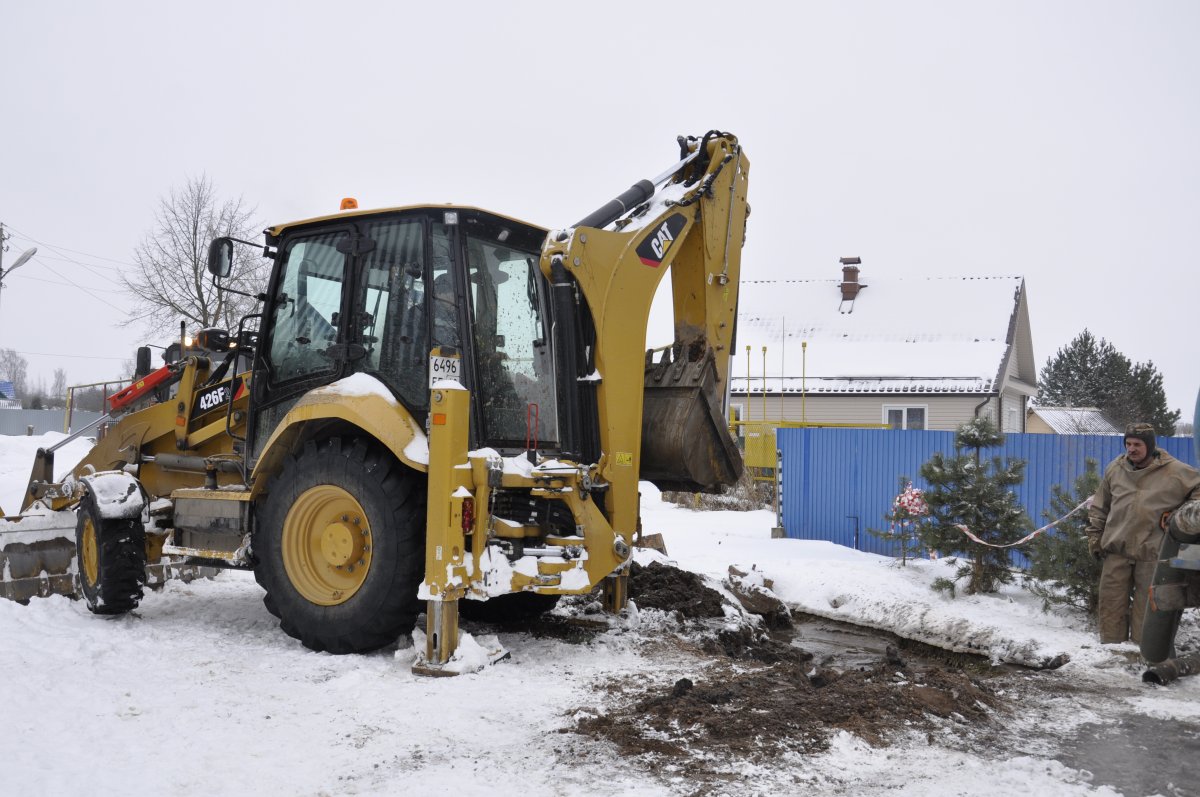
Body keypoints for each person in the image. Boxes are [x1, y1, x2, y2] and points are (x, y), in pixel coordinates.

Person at [1086, 423, 1200, 644]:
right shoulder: (1115, 469)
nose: (1131, 449)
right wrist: (1094, 537)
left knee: (1147, 610)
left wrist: (1181, 514)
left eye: (1137, 444)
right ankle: (1112, 654)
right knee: (1111, 606)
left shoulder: (1174, 470)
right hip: (1116, 551)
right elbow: (1100, 506)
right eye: (1128, 444)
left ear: (1150, 445)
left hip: (1152, 552)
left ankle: (1143, 655)